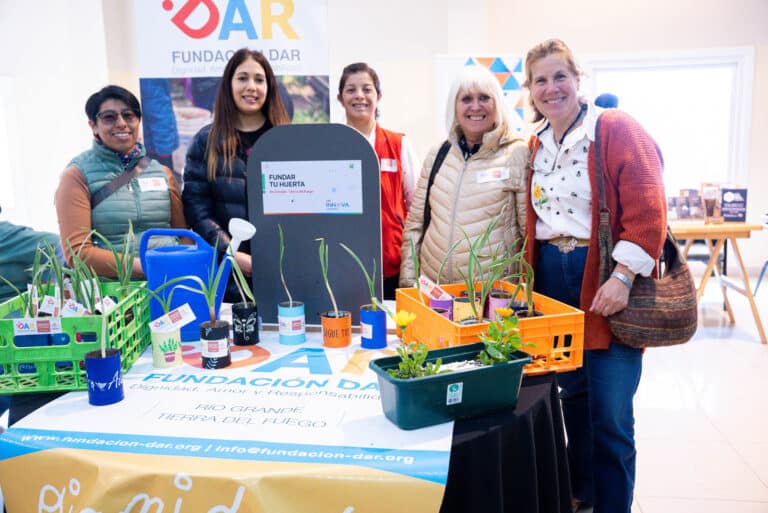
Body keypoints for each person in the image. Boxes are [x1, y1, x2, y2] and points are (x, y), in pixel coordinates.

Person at [522, 39, 666, 513]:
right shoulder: (536, 143)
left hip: (603, 279)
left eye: (559, 76)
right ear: (530, 89)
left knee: (609, 415)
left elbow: (649, 212)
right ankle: (581, 492)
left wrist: (623, 277)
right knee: (572, 400)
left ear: (578, 80)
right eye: (540, 80)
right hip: (551, 280)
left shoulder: (615, 129)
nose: (551, 88)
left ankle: (613, 506)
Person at [400, 65, 528, 288]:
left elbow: (528, 233)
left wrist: (523, 294)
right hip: (436, 291)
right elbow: (415, 225)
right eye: (466, 99)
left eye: (484, 98)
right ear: (455, 106)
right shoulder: (438, 154)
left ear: (497, 102)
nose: (475, 107)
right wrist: (409, 283)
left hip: (492, 294)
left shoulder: (516, 154)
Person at [183, 49, 290, 301]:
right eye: (242, 78)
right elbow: (197, 210)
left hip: (283, 271)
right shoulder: (205, 141)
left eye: (259, 79)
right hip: (228, 275)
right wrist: (230, 252)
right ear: (229, 84)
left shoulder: (287, 140)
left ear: (269, 87)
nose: (251, 87)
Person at [55, 85, 187, 278]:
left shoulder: (163, 173)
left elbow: (184, 236)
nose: (121, 123)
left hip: (168, 284)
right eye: (109, 117)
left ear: (139, 120)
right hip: (114, 294)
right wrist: (148, 267)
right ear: (93, 125)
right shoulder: (76, 176)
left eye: (129, 115)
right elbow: (78, 253)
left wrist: (186, 270)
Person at [338, 62, 418, 299]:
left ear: (378, 96)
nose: (359, 96)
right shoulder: (332, 145)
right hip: (344, 263)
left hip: (391, 262)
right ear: (340, 98)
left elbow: (416, 207)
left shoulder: (399, 144)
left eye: (367, 89)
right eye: (351, 90)